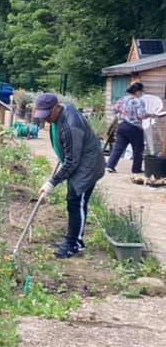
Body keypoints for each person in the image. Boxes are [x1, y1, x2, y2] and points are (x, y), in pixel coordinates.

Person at [34, 93, 105, 259]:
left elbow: (72, 161)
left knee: (76, 202)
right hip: (79, 162)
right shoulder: (60, 114)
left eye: (47, 115)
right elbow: (69, 152)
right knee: (75, 202)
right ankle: (73, 239)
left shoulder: (70, 126)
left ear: (56, 107)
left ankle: (74, 244)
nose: (46, 119)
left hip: (87, 167)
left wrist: (51, 183)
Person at [106, 83, 161, 174]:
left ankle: (110, 166)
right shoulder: (139, 101)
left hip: (122, 126)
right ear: (138, 91)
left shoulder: (122, 99)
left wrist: (123, 114)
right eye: (141, 91)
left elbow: (114, 110)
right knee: (138, 148)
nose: (142, 93)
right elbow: (141, 115)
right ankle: (136, 169)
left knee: (118, 147)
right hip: (134, 127)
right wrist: (150, 115)